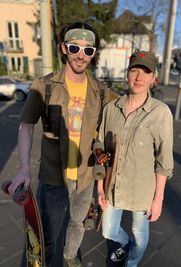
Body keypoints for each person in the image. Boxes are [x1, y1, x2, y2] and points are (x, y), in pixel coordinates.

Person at [8, 21, 109, 267]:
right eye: (75, 48)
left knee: (76, 224)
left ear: (93, 54)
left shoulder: (100, 90)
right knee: (49, 236)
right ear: (64, 48)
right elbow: (26, 126)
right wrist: (23, 168)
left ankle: (71, 256)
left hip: (84, 178)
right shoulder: (44, 86)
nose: (81, 55)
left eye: (88, 50)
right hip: (54, 178)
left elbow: (106, 130)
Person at [97, 50, 174, 267]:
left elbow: (164, 160)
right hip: (114, 186)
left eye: (146, 72)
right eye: (135, 70)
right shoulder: (111, 109)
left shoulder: (160, 113)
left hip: (143, 191)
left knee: (140, 234)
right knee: (108, 230)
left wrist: (158, 199)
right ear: (127, 73)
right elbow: (100, 149)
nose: (139, 77)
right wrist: (100, 187)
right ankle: (126, 246)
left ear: (153, 78)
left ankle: (131, 263)